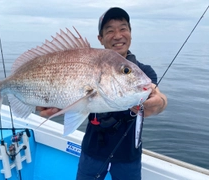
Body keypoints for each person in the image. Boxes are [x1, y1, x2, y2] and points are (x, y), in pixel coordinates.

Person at [37, 7, 167, 180]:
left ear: (130, 33)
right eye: (110, 30)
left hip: (129, 157)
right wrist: (47, 103)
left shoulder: (143, 72)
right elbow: (64, 97)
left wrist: (159, 104)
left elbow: (158, 97)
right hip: (92, 152)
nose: (118, 35)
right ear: (101, 39)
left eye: (123, 28)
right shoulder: (86, 64)